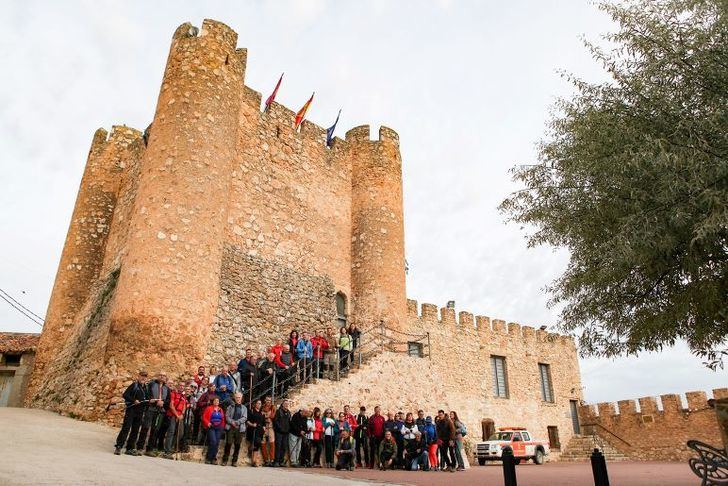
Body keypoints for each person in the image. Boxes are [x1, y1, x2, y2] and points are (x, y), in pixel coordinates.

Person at [114, 370, 148, 456]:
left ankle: (129, 448)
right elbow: (125, 395)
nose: (143, 377)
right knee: (126, 428)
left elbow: (146, 399)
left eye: (145, 376)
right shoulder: (134, 385)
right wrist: (134, 400)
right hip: (131, 410)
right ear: (138, 376)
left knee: (135, 430)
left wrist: (149, 401)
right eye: (142, 376)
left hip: (140, 411)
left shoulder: (146, 388)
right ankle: (118, 446)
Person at [138, 372, 169, 456]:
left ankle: (149, 449)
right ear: (157, 376)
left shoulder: (167, 388)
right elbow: (147, 394)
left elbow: (168, 400)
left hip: (160, 412)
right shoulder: (151, 384)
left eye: (164, 375)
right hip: (151, 409)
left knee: (155, 430)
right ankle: (139, 448)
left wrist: (163, 403)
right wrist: (152, 401)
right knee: (145, 428)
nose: (162, 377)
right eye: (160, 375)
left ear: (166, 378)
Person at [160, 381, 188, 459]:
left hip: (180, 416)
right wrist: (177, 415)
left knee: (180, 433)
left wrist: (182, 414)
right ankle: (167, 451)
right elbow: (171, 405)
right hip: (172, 415)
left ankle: (171, 447)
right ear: (178, 386)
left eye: (183, 386)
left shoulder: (183, 396)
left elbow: (184, 406)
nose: (181, 387)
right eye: (180, 385)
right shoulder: (173, 394)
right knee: (171, 431)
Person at [222, 392, 247, 467]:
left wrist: (237, 422)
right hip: (231, 427)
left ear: (241, 398)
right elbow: (227, 416)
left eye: (239, 397)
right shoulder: (230, 407)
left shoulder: (244, 408)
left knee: (237, 445)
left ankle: (234, 461)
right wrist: (232, 422)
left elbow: (244, 418)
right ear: (234, 398)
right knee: (228, 443)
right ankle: (225, 460)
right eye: (236, 397)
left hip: (240, 429)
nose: (238, 399)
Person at [202, 397, 226, 465]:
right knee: (213, 441)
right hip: (211, 427)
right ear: (213, 402)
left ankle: (213, 458)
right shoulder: (209, 408)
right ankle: (208, 458)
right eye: (215, 401)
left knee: (217, 443)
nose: (216, 402)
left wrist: (222, 427)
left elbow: (223, 419)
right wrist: (208, 423)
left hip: (219, 428)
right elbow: (204, 417)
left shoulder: (220, 409)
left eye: (217, 401)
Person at [246, 399, 266, 467]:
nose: (259, 405)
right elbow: (247, 421)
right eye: (258, 403)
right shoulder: (251, 411)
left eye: (260, 404)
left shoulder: (262, 413)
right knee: (255, 443)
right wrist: (252, 424)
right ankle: (253, 460)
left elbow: (264, 423)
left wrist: (264, 428)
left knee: (257, 444)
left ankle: (254, 461)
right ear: (255, 404)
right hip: (252, 430)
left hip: (259, 431)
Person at [272, 399, 291, 467]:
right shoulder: (278, 411)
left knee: (284, 447)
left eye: (287, 404)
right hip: (279, 432)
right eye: (285, 404)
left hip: (286, 433)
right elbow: (275, 421)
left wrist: (288, 429)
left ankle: (281, 461)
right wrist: (280, 428)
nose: (286, 405)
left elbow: (289, 422)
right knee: (278, 446)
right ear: (282, 404)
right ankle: (276, 461)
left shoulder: (288, 412)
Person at [260, 396, 276, 466]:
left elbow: (273, 416)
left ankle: (272, 460)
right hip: (263, 427)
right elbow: (260, 416)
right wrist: (266, 416)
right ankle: (266, 460)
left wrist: (265, 416)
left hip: (270, 427)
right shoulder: (262, 407)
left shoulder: (273, 407)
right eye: (267, 400)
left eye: (269, 400)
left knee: (272, 443)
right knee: (263, 443)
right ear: (265, 400)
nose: (268, 402)